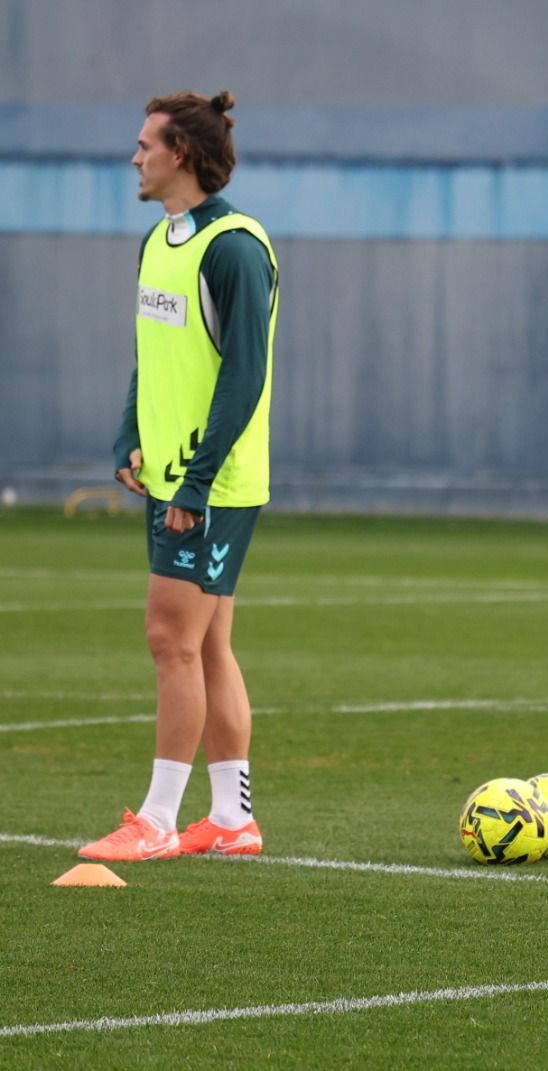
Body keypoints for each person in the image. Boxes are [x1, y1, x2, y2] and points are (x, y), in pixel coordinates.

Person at [79, 90, 279, 862]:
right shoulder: (159, 240)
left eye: (145, 145)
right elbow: (152, 350)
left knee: (170, 636)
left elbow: (244, 376)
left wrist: (193, 485)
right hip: (172, 476)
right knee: (208, 643)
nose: (135, 156)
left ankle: (159, 820)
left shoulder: (232, 247)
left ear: (181, 155)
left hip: (213, 485)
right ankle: (231, 819)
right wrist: (133, 434)